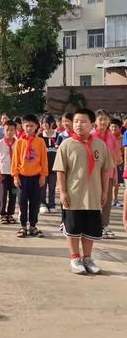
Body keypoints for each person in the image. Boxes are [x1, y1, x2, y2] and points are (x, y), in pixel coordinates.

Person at [53, 108, 113, 275]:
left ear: (92, 124)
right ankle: (75, 258)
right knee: (72, 229)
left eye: (83, 121)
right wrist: (63, 192)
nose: (79, 124)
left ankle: (87, 258)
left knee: (90, 229)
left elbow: (105, 170)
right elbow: (60, 170)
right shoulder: (66, 144)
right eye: (76, 121)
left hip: (93, 196)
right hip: (73, 195)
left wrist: (104, 192)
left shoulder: (100, 145)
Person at [11, 114, 48, 238]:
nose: (29, 128)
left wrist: (43, 175)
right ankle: (23, 226)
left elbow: (44, 160)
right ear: (22, 126)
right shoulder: (19, 142)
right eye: (26, 126)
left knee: (35, 202)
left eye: (32, 126)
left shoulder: (40, 141)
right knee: (22, 202)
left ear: (36, 126)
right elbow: (15, 160)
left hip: (36, 177)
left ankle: (33, 225)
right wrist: (15, 176)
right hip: (22, 177)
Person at [93, 109, 117, 239]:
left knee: (107, 201)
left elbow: (113, 156)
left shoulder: (111, 136)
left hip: (108, 173)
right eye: (100, 119)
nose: (103, 122)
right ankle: (95, 226)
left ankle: (104, 225)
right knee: (95, 200)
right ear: (95, 121)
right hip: (94, 174)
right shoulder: (92, 136)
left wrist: (115, 175)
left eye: (106, 119)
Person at [0, 120, 17, 224]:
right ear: (3, 131)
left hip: (14, 174)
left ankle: (10, 214)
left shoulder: (18, 143)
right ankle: (3, 214)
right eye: (7, 130)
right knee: (2, 194)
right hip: (3, 172)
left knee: (13, 194)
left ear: (15, 131)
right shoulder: (0, 143)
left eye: (12, 130)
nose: (9, 132)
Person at [39, 114, 59, 214]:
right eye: (43, 123)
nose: (45, 125)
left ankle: (52, 204)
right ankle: (42, 203)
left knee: (52, 186)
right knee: (42, 186)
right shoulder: (40, 136)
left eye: (47, 123)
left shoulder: (58, 136)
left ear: (52, 123)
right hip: (42, 167)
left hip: (54, 167)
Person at [110, 118, 123, 208]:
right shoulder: (107, 137)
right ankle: (108, 199)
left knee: (116, 183)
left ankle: (115, 200)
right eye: (112, 127)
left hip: (118, 163)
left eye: (116, 127)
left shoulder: (122, 138)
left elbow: (123, 150)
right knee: (107, 183)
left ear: (120, 128)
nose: (114, 129)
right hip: (108, 163)